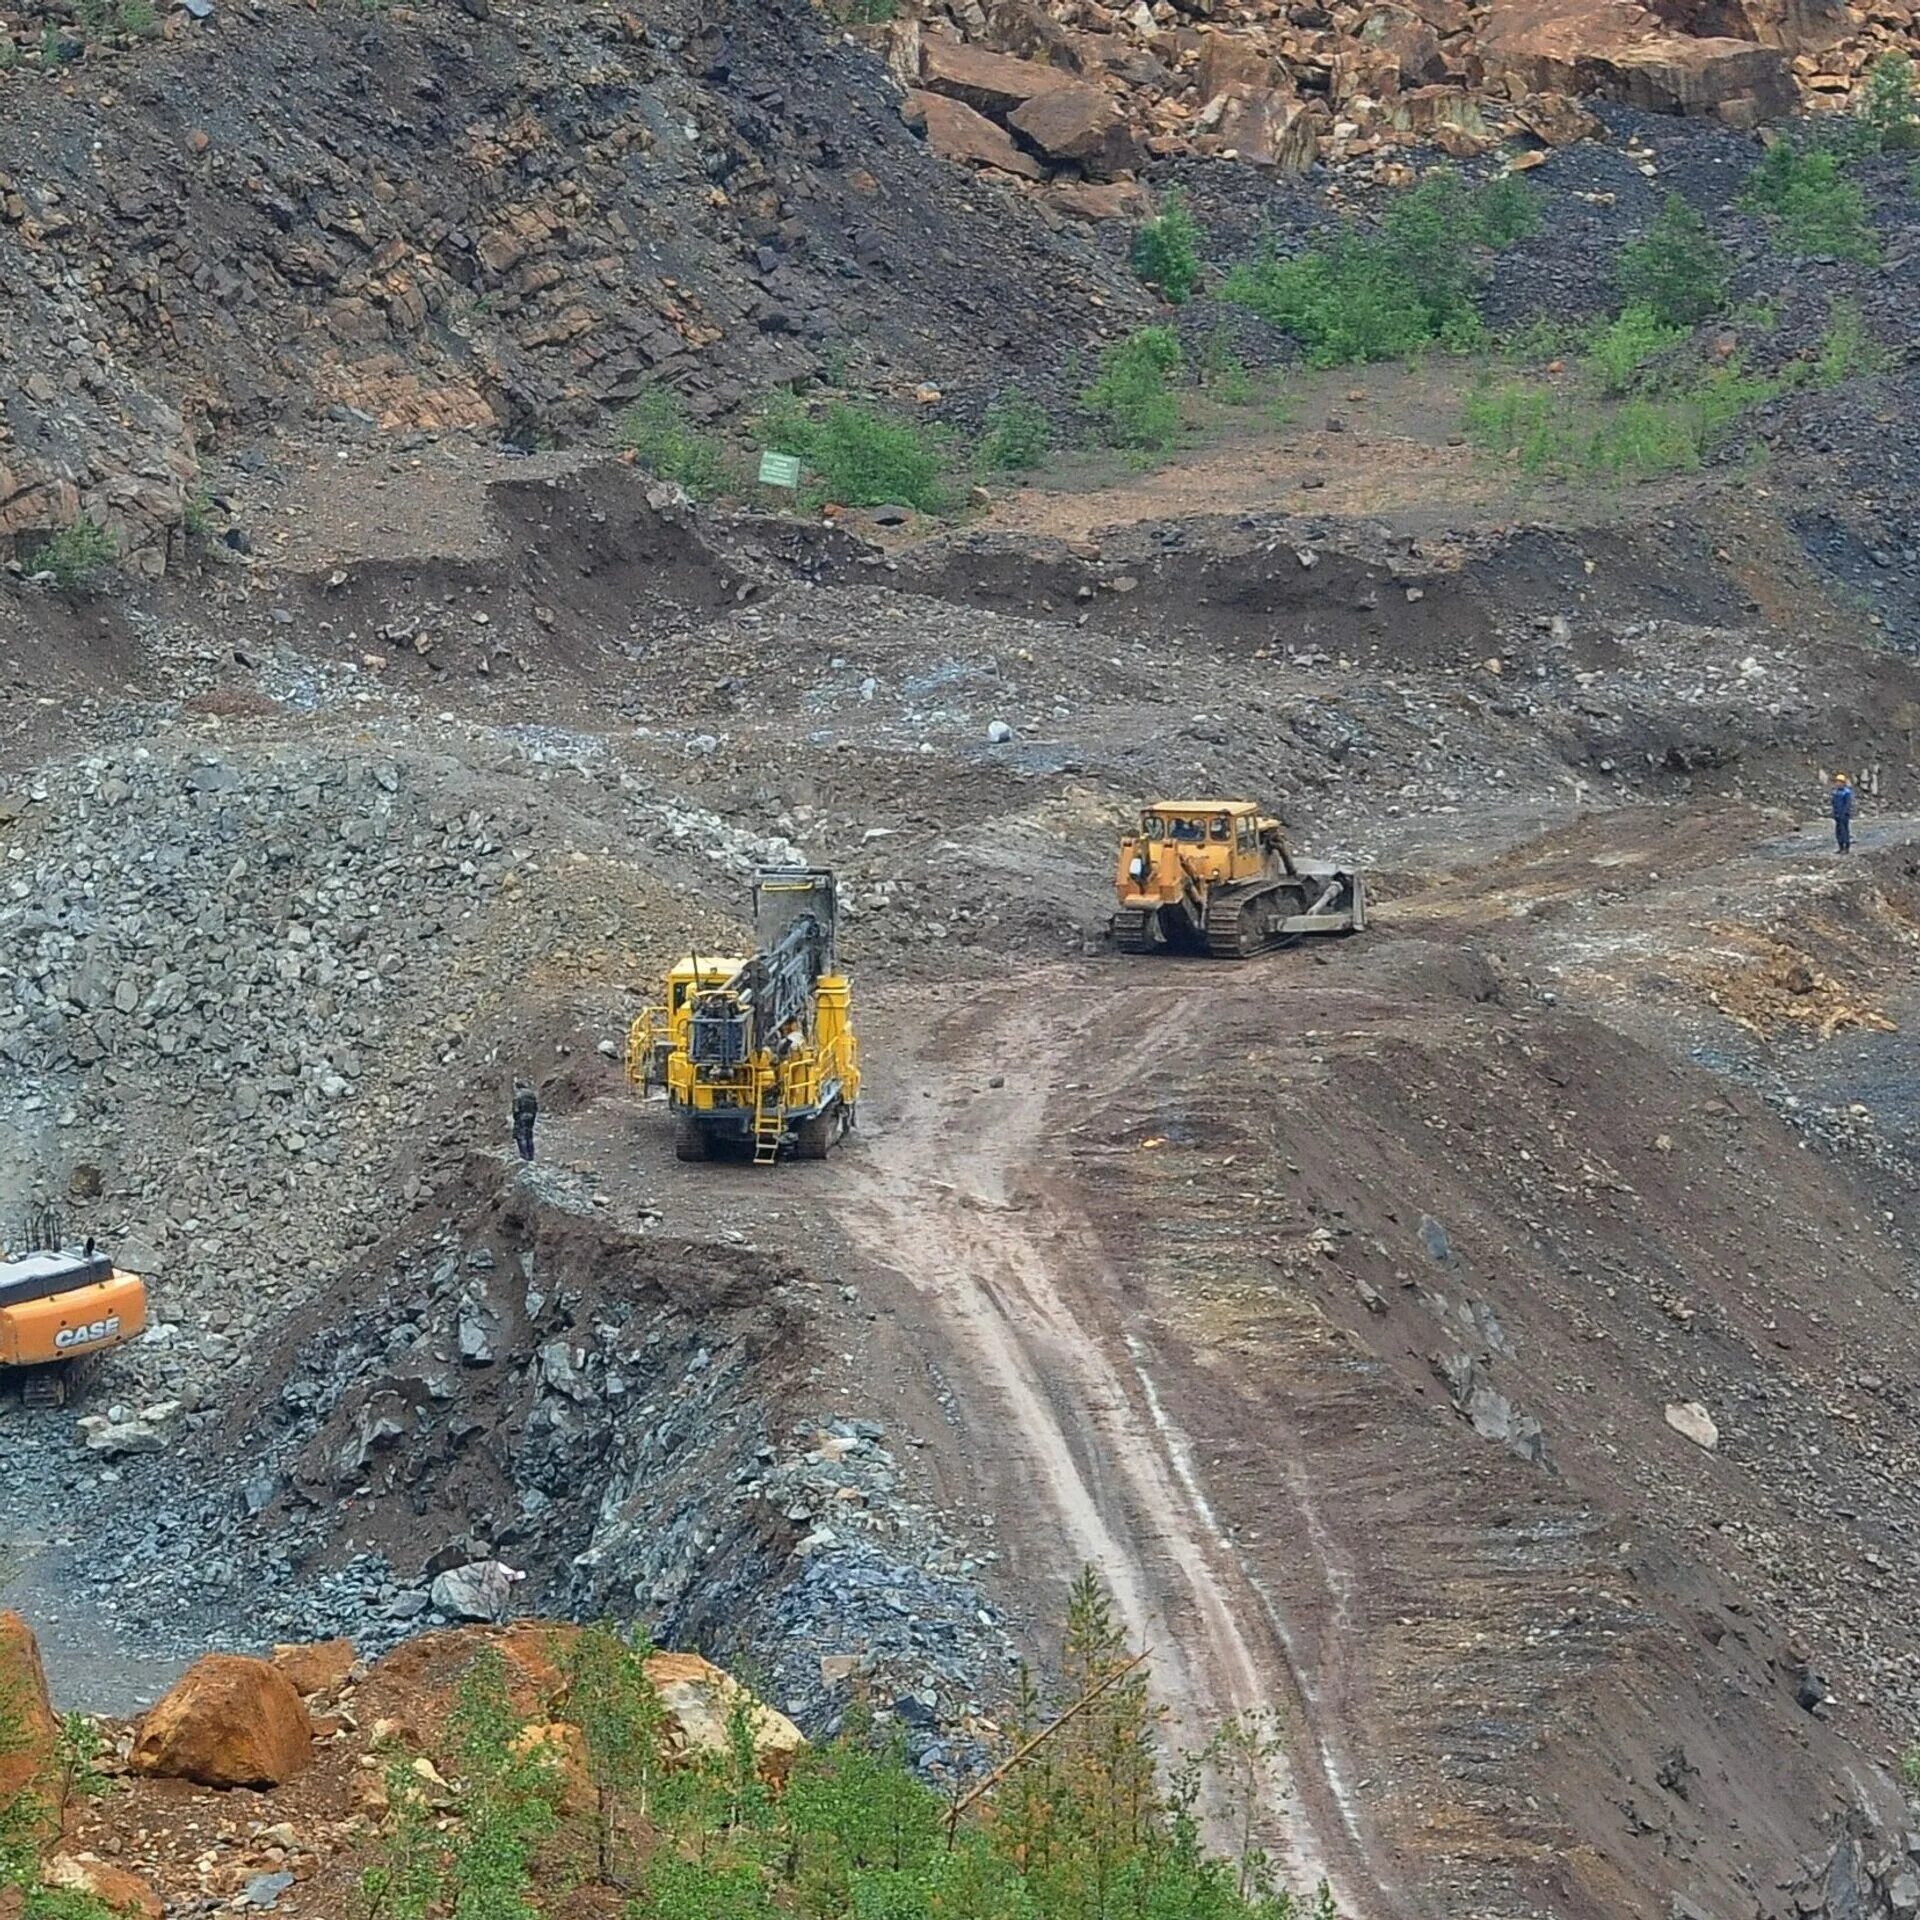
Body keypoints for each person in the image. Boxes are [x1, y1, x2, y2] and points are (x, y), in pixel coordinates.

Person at [511, 1078, 538, 1161]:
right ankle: (531, 1156)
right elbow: (536, 1108)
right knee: (529, 1136)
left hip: (521, 1117)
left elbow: (516, 1110)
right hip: (531, 1117)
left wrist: (516, 1118)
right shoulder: (532, 1095)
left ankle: (524, 1156)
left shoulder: (518, 1095)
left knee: (521, 1136)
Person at [1831, 772, 1854, 855]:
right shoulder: (1835, 792)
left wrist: (1844, 814)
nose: (1838, 783)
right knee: (1838, 832)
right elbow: (1833, 803)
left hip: (1844, 816)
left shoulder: (1846, 793)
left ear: (1843, 783)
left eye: (1840, 782)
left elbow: (1847, 805)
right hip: (1837, 815)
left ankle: (1846, 847)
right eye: (1837, 782)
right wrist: (1834, 813)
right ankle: (1840, 847)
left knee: (1845, 831)